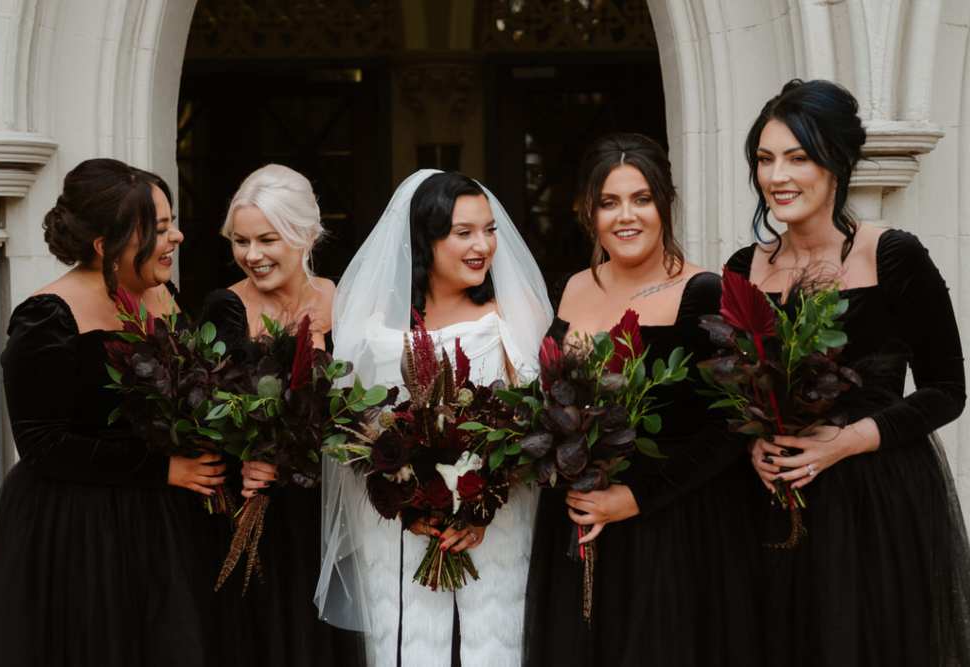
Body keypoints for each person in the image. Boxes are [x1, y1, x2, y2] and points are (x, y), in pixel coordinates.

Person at [730, 78, 970, 666]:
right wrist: (752, 442)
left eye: (798, 157)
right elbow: (734, 387)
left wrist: (844, 443)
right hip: (769, 505)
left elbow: (946, 390)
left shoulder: (893, 255)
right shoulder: (743, 269)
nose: (777, 176)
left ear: (837, 163)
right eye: (765, 160)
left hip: (875, 505)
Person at [0, 158, 233, 667]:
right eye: (159, 229)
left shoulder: (165, 297)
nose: (177, 237)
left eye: (171, 222)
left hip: (169, 524)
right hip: (87, 533)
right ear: (105, 245)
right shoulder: (46, 318)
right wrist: (163, 469)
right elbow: (43, 444)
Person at [523, 133, 762, 667]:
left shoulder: (704, 292)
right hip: (579, 525)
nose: (625, 216)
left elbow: (732, 425)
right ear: (588, 211)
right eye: (609, 202)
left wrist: (635, 498)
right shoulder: (573, 288)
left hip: (673, 529)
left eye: (641, 199)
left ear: (664, 206)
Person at [319, 170, 552, 666]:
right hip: (400, 532)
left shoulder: (513, 313)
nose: (484, 246)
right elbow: (353, 436)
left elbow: (534, 430)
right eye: (463, 232)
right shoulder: (374, 329)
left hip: (496, 525)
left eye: (489, 230)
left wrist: (482, 504)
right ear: (426, 239)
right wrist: (406, 501)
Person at [200, 163, 365, 666]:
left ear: (306, 235)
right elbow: (208, 414)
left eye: (267, 239)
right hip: (258, 514)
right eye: (240, 241)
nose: (252, 255)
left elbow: (365, 413)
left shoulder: (346, 300)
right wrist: (245, 456)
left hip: (334, 514)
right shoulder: (224, 309)